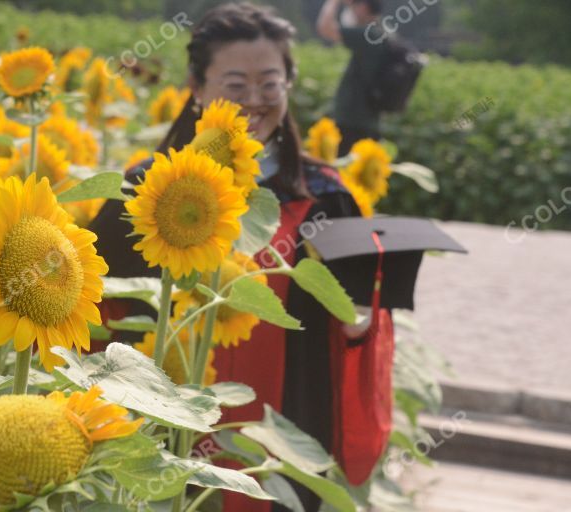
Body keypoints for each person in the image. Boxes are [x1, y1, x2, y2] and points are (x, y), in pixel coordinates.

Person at [89, 3, 369, 511]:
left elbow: (360, 321)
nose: (255, 101)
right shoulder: (149, 190)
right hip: (158, 443)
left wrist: (362, 325)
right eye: (235, 86)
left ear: (289, 85)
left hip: (283, 435)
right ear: (197, 88)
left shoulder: (327, 198)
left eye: (270, 84)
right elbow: (93, 307)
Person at [317, 0, 385, 155]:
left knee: (343, 173)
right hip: (369, 121)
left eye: (353, 6)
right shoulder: (382, 32)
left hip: (352, 122)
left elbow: (326, 28)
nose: (351, 11)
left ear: (363, 7)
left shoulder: (367, 35)